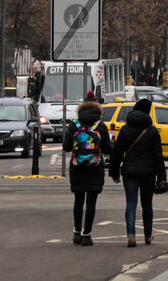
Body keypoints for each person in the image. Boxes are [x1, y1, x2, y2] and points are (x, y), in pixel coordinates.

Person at [109, 99, 167, 247]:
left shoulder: (125, 129)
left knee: (131, 202)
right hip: (149, 172)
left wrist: (114, 172)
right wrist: (162, 178)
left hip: (129, 172)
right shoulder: (152, 131)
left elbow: (117, 153)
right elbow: (158, 156)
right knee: (147, 204)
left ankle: (131, 235)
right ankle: (148, 236)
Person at [63, 98, 113, 246]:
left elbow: (66, 147)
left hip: (77, 168)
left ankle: (77, 233)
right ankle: (87, 235)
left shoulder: (74, 125)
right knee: (91, 202)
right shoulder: (100, 126)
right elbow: (106, 149)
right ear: (98, 112)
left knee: (78, 201)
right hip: (94, 169)